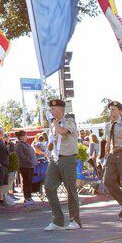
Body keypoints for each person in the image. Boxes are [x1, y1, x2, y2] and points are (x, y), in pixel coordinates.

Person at [44, 98, 82, 231]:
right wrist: (48, 148)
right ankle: (58, 220)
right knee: (48, 187)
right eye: (50, 109)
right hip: (55, 159)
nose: (51, 111)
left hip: (67, 158)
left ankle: (75, 220)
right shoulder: (54, 125)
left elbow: (63, 132)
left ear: (61, 109)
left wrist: (54, 122)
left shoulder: (69, 120)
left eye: (53, 109)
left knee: (70, 189)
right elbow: (53, 140)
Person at [14, 130, 37, 204]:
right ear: (21, 137)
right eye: (25, 135)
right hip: (24, 166)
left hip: (30, 166)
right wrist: (29, 160)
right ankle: (26, 198)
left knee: (29, 182)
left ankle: (29, 197)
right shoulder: (19, 145)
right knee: (27, 181)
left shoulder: (25, 144)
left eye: (26, 135)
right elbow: (20, 155)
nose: (26, 137)